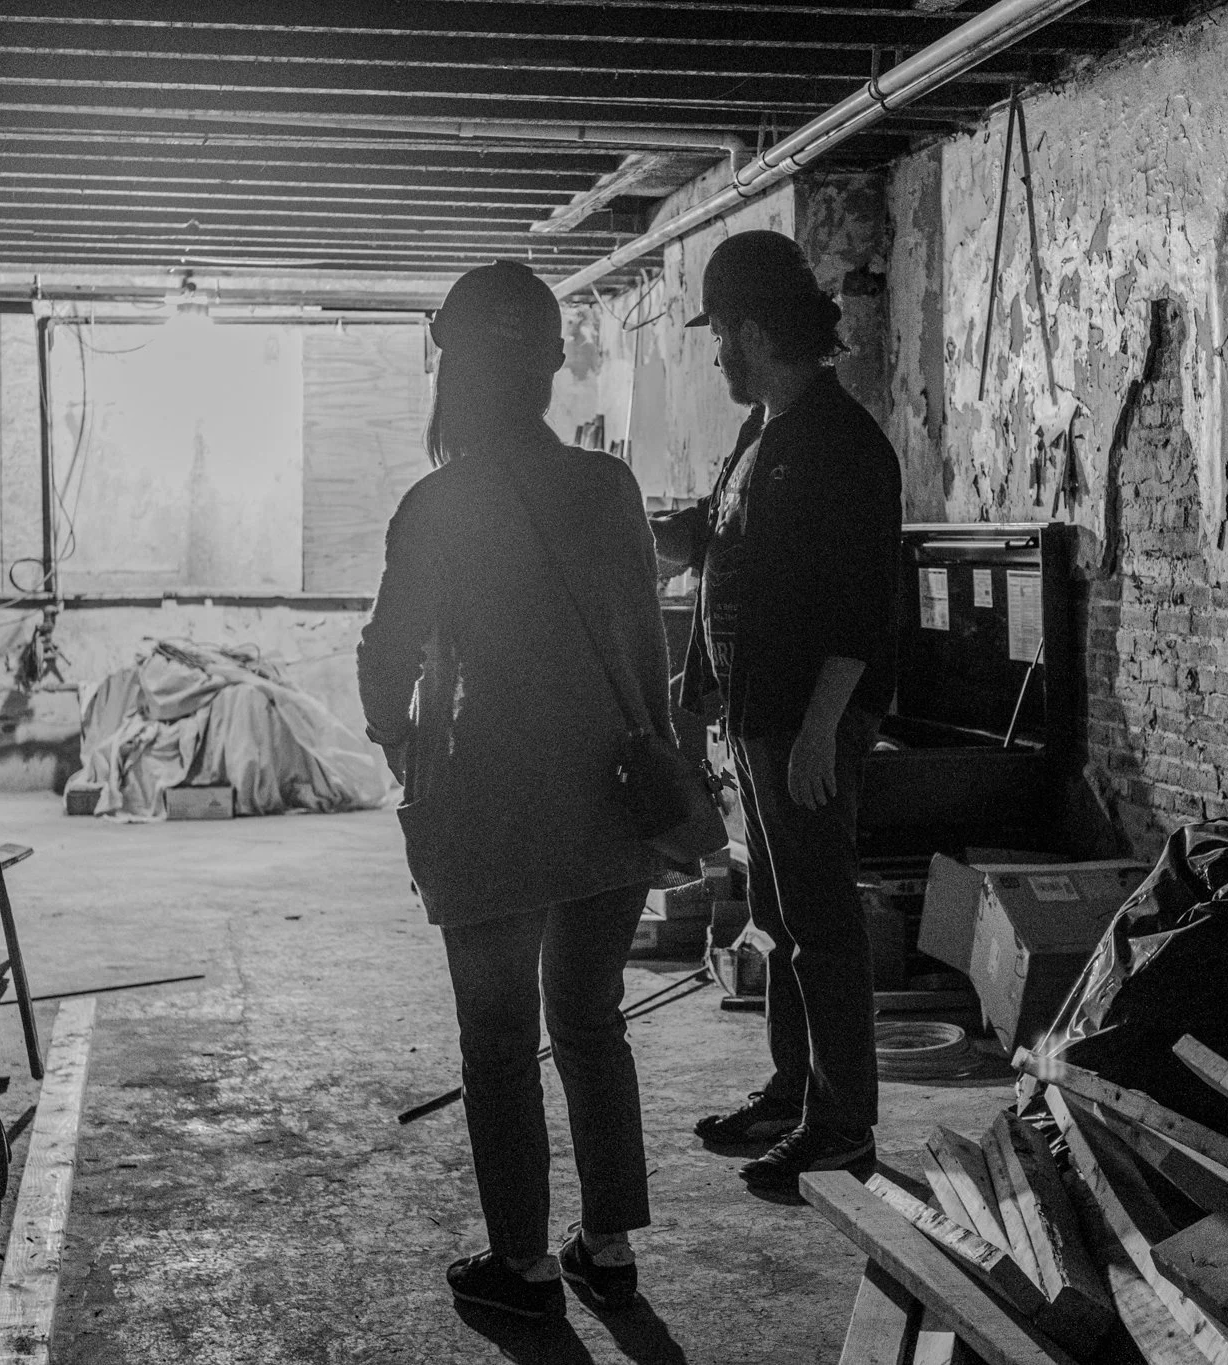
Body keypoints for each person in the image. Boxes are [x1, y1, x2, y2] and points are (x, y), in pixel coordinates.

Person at [357, 261, 672, 1318]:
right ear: (547, 370)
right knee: (590, 1022)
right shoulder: (608, 487)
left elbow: (383, 657)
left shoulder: (436, 504)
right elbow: (644, 645)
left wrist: (408, 755)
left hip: (485, 808)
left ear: (453, 372)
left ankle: (524, 1267)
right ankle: (610, 1247)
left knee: (497, 1043)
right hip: (610, 798)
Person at [652, 231, 902, 1196]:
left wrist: (815, 734)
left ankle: (841, 1124)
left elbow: (860, 607)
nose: (714, 354)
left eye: (719, 334)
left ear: (754, 331)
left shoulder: (842, 446)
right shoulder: (765, 434)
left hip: (806, 725)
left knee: (822, 920)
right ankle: (793, 1087)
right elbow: (723, 541)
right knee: (780, 913)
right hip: (758, 721)